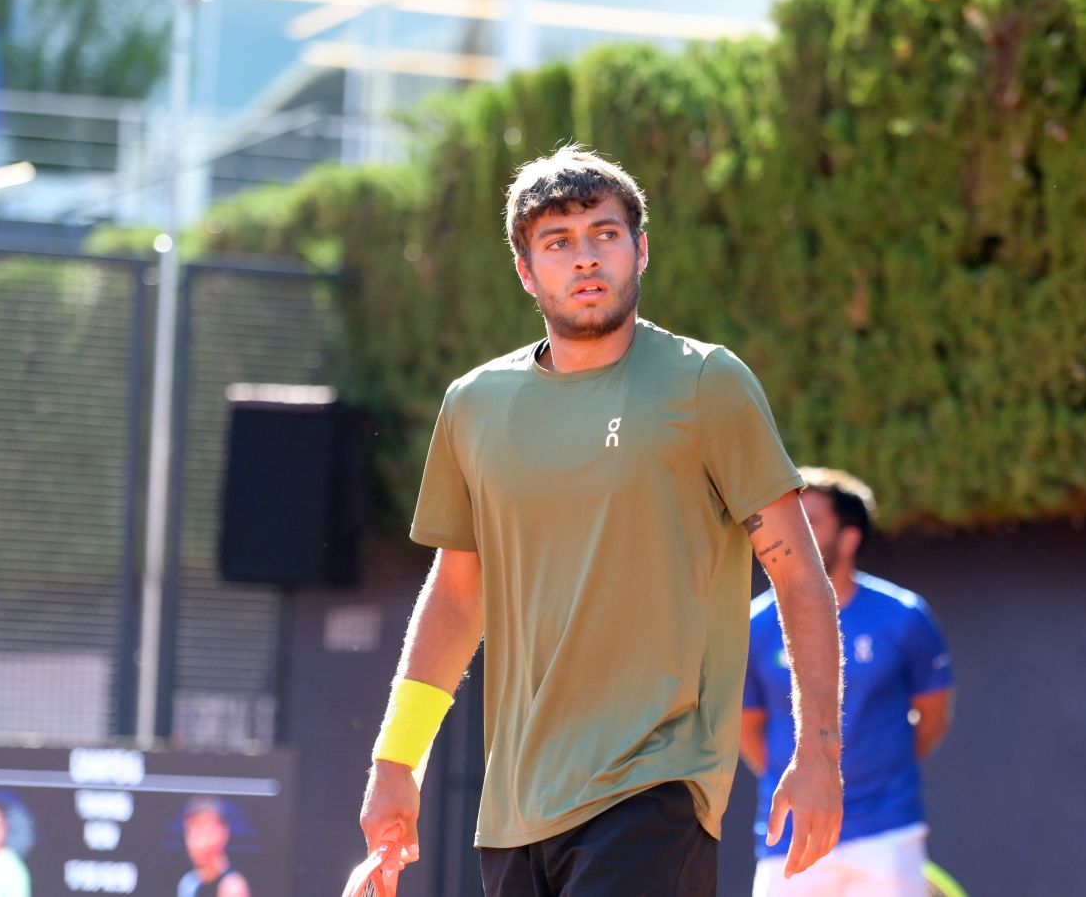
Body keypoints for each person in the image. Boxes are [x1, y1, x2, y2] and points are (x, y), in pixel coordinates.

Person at [357, 145, 846, 896]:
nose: (586, 257)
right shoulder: (472, 406)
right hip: (516, 809)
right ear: (525, 271)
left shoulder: (707, 384)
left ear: (640, 249)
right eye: (557, 242)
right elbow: (456, 595)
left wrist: (817, 754)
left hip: (656, 786)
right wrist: (396, 761)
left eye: (605, 234)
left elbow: (798, 574)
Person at [743, 468, 955, 896]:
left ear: (849, 538)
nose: (796, 534)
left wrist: (877, 776)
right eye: (793, 521)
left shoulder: (904, 616)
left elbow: (933, 716)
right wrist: (805, 785)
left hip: (887, 833)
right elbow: (747, 728)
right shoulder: (755, 624)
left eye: (812, 522)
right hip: (790, 837)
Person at [177, 797, 250, 897]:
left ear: (223, 833)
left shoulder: (232, 887)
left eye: (204, 831)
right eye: (191, 832)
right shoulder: (188, 883)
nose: (196, 841)